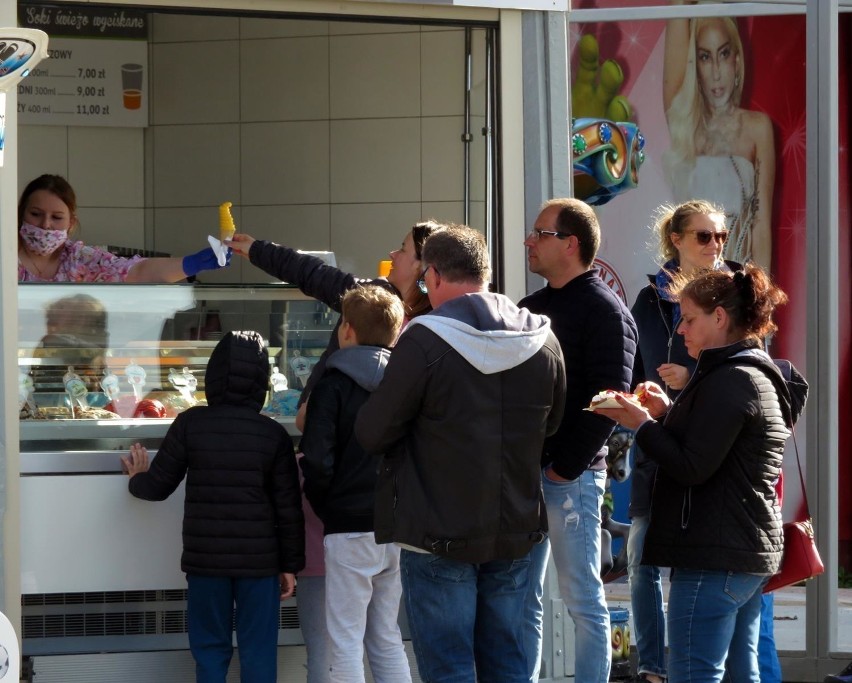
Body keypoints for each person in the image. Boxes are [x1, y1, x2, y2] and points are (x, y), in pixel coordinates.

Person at [354, 224, 566, 682]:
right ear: (485, 273)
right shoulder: (544, 340)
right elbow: (552, 427)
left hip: (437, 530)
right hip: (518, 526)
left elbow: (373, 432)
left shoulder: (423, 340)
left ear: (431, 275)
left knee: (449, 668)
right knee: (510, 667)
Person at [597, 264, 808, 683]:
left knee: (695, 672)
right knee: (738, 671)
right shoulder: (745, 372)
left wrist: (643, 425)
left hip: (717, 553)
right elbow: (717, 447)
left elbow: (693, 465)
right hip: (739, 550)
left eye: (689, 319)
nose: (680, 331)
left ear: (720, 318)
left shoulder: (731, 378)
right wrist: (665, 413)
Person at [121, 330, 305, 683]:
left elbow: (157, 488)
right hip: (261, 565)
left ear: (214, 375)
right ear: (261, 380)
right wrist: (290, 565)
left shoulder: (191, 424)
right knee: (259, 651)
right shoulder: (272, 435)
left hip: (206, 564)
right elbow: (288, 510)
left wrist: (136, 478)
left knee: (209, 651)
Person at [519, 197, 637, 683]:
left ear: (570, 244)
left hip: (572, 479)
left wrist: (563, 469)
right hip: (525, 478)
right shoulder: (528, 310)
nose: (529, 240)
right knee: (522, 595)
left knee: (583, 597)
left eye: (540, 233)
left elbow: (612, 400)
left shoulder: (606, 310)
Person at [629, 199, 737, 683]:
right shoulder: (650, 298)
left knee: (710, 571)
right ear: (676, 239)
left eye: (720, 236)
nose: (715, 245)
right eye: (703, 236)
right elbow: (632, 367)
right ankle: (653, 667)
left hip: (718, 451)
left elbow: (751, 375)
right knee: (641, 558)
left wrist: (687, 379)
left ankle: (721, 668)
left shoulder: (739, 294)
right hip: (659, 444)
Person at [300, 284, 410, 683]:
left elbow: (317, 459)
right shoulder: (406, 385)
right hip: (397, 525)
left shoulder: (331, 386)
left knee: (344, 639)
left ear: (346, 330)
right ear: (396, 333)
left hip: (347, 526)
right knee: (386, 636)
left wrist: (328, 506)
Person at [228, 220, 440, 402]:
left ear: (421, 266)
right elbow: (311, 272)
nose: (392, 254)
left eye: (403, 249)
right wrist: (257, 250)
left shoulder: (436, 324)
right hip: (325, 420)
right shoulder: (371, 296)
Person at [663, 1, 775, 270]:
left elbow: (761, 228)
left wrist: (762, 304)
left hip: (739, 286)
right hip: (688, 284)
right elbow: (678, 11)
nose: (716, 72)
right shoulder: (684, 124)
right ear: (695, 66)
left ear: (737, 60)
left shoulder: (757, 128)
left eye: (723, 54)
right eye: (705, 56)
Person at [17, 174, 229, 282]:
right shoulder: (6, 258)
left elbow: (136, 272)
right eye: (36, 214)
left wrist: (191, 264)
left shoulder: (80, 260)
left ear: (71, 223)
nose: (45, 225)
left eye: (56, 217)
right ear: (19, 213)